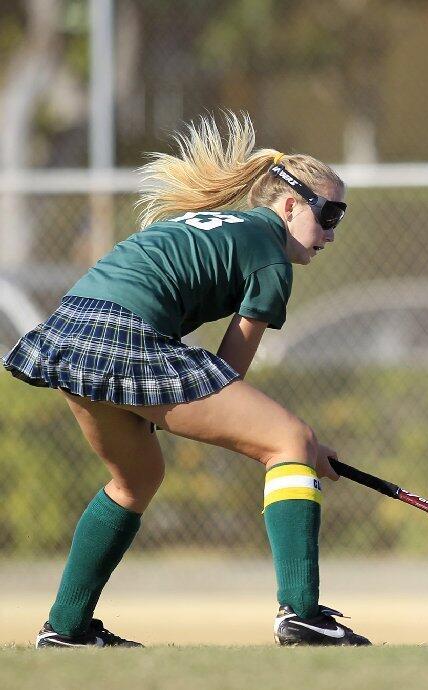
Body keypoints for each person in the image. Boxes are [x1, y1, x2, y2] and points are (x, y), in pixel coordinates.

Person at [3, 112, 371, 648]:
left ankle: (66, 629)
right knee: (288, 439)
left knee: (136, 477)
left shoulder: (221, 225)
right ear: (289, 205)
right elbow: (228, 375)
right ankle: (302, 613)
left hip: (72, 328)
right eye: (329, 214)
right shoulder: (272, 258)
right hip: (125, 333)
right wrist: (301, 448)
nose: (333, 233)